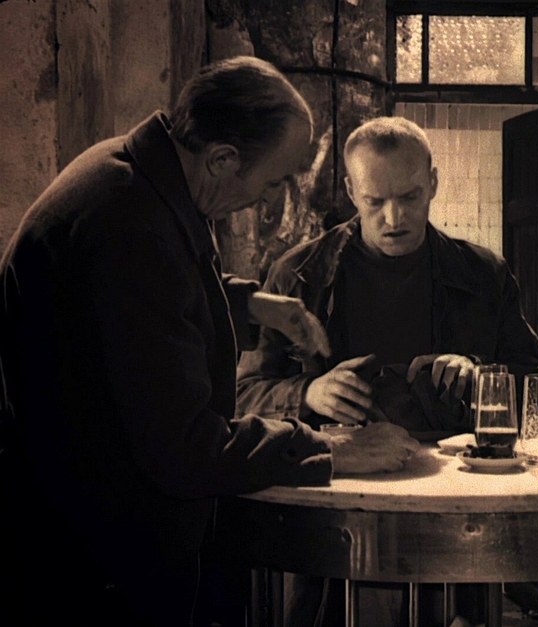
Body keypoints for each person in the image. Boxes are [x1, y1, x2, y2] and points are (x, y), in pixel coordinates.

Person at [0, 56, 418, 627]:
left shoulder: (137, 173)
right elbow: (183, 447)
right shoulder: (129, 225)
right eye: (271, 181)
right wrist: (329, 449)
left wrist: (249, 303)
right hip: (91, 554)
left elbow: (149, 303)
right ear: (222, 159)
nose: (268, 200)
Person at [235, 115, 538, 625]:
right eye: (374, 201)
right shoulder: (297, 274)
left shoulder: (482, 274)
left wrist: (479, 376)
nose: (394, 217)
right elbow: (243, 395)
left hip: (453, 516)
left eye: (409, 197)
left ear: (434, 182)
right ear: (350, 191)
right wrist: (309, 393)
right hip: (335, 513)